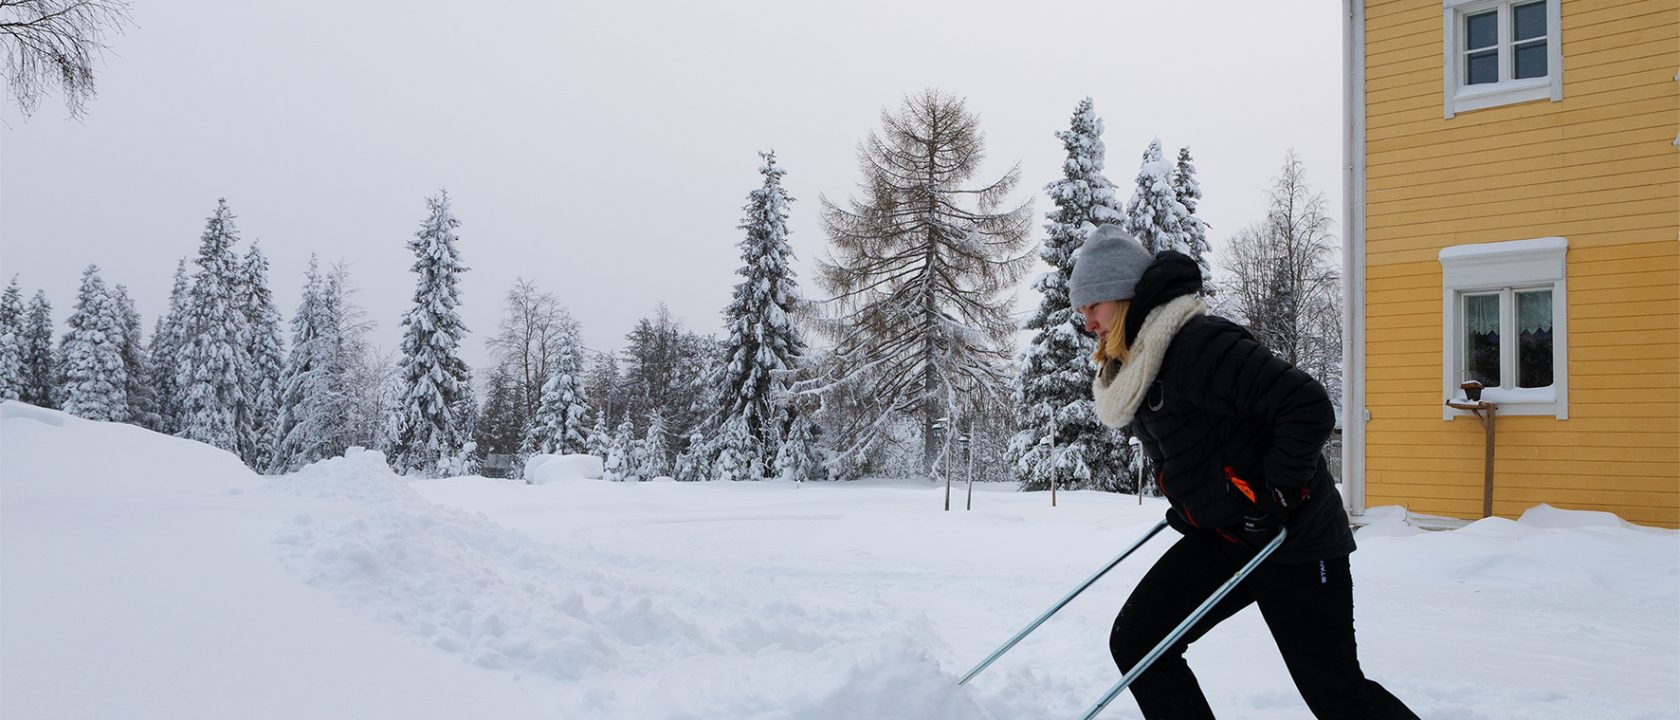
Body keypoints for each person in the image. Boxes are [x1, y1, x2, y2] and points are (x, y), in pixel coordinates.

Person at [1068, 224, 1417, 719]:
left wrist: (1276, 498)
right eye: (1081, 311)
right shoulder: (1140, 365)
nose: (1088, 323)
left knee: (1335, 691)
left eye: (1092, 307)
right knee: (1141, 645)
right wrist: (1195, 507)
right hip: (1230, 536)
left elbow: (1307, 406)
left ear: (1123, 298)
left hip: (1293, 539)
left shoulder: (1198, 345)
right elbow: (1202, 449)